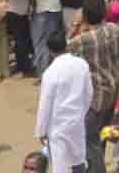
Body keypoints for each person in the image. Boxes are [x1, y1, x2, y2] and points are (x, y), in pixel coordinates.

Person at [67, 0, 119, 173]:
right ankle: (97, 165)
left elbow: (62, 52)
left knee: (89, 140)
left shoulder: (81, 41)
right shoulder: (114, 30)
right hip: (113, 94)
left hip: (94, 99)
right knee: (101, 136)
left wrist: (75, 26)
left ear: (85, 17)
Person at [35, 30, 91, 173]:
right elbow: (89, 93)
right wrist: (81, 113)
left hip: (58, 127)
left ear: (50, 51)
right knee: (78, 160)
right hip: (77, 121)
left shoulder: (50, 73)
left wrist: (41, 130)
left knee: (60, 167)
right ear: (66, 45)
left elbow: (45, 104)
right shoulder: (82, 64)